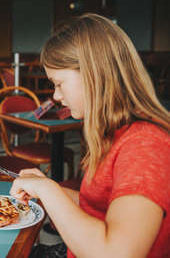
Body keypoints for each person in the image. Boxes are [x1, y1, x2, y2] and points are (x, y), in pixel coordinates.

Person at [10, 14, 170, 258]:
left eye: (59, 83)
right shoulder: (117, 132)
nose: (55, 96)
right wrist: (47, 187)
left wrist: (50, 193)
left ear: (93, 74)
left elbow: (117, 253)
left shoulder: (145, 144)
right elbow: (96, 206)